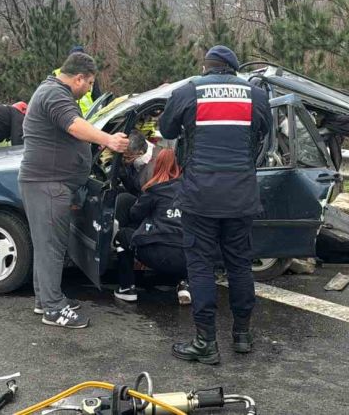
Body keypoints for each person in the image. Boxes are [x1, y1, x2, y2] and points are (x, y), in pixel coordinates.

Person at [159, 45, 271, 364]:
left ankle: (206, 341)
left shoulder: (189, 90)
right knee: (239, 264)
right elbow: (265, 134)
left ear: (206, 67)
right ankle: (242, 336)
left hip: (200, 196)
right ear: (233, 69)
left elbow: (166, 130)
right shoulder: (255, 94)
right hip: (241, 195)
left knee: (200, 266)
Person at [19, 52, 128, 329]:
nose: (89, 88)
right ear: (78, 78)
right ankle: (54, 310)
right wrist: (109, 140)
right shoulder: (55, 94)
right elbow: (74, 126)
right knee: (52, 248)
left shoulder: (51, 91)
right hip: (48, 185)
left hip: (47, 183)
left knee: (46, 246)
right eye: (89, 83)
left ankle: (45, 299)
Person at [114, 148, 191, 306]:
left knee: (122, 236)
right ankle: (185, 284)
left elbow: (135, 215)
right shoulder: (193, 192)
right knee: (185, 239)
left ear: (156, 166)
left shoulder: (154, 191)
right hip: (188, 258)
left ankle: (126, 288)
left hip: (155, 254)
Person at [53, 45, 102, 116]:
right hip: (73, 117)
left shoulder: (89, 76)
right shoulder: (58, 77)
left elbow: (97, 98)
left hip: (90, 116)